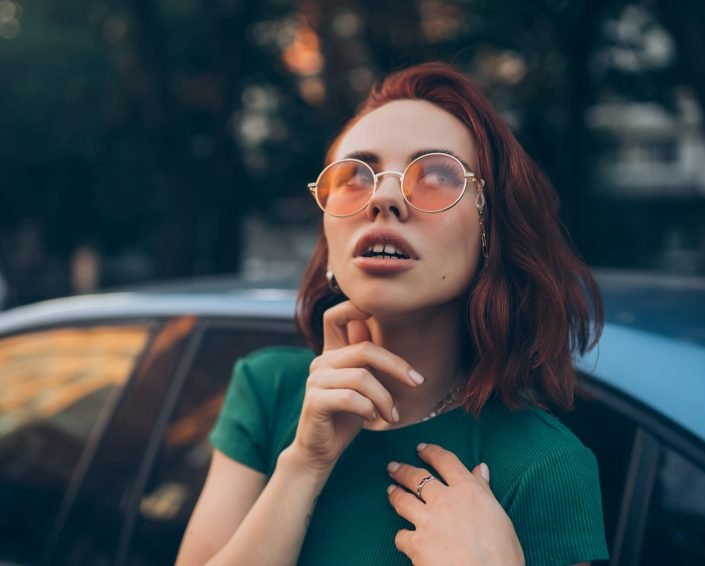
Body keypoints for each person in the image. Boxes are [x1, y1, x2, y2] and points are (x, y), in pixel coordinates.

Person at [176, 62, 610, 566]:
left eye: (436, 175)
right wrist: (303, 466)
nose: (383, 197)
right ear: (329, 236)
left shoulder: (546, 466)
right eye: (355, 176)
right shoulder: (268, 388)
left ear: (490, 232)